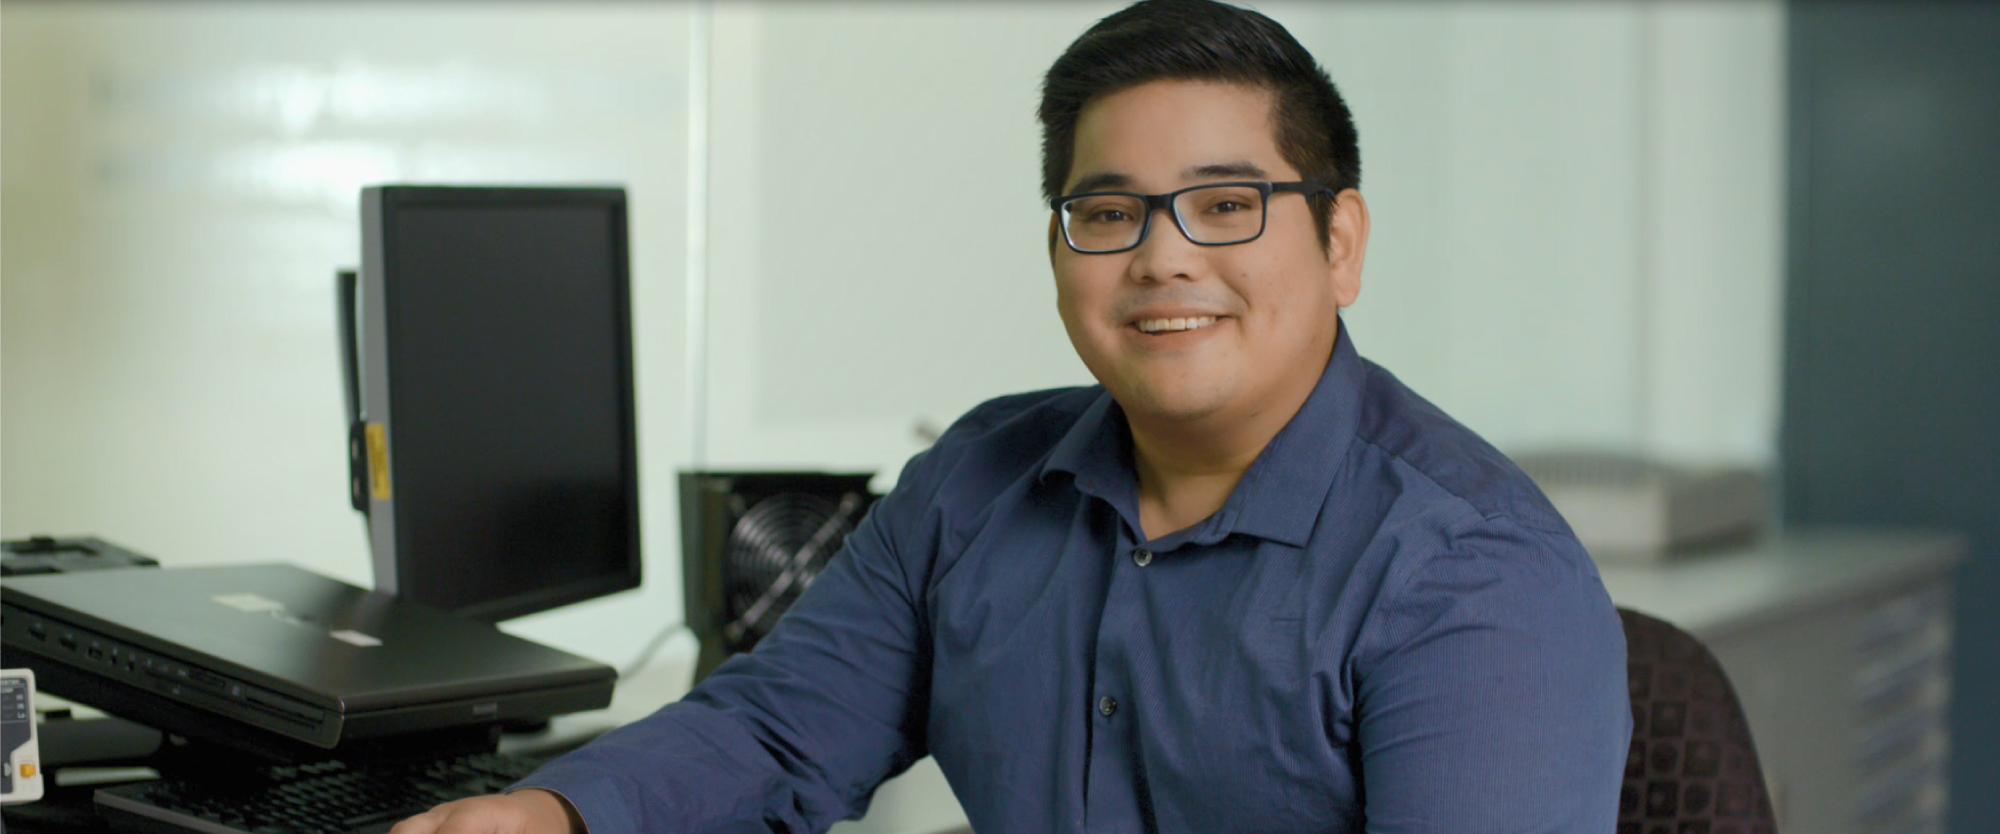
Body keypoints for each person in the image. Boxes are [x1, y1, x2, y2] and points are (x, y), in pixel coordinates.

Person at [392, 1, 1630, 831]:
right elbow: (775, 734)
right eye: (1108, 213)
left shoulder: (1471, 576)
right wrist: (549, 815)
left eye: (1223, 205)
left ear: (1338, 241)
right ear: (1059, 248)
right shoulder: (979, 480)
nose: (1161, 259)